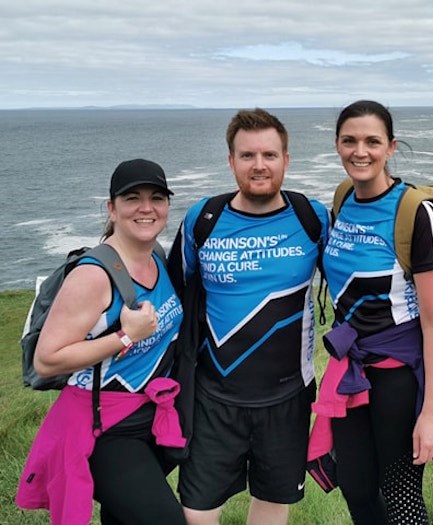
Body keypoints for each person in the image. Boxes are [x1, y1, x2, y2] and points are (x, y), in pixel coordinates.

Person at [311, 100, 433, 524]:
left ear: (391, 147)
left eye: (371, 141)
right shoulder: (343, 198)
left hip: (398, 376)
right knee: (358, 490)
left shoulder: (417, 213)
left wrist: (431, 414)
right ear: (337, 145)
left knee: (399, 495)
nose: (359, 151)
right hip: (350, 371)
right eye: (350, 141)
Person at [167, 108, 329, 525]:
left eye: (270, 155)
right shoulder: (202, 219)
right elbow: (166, 293)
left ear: (287, 160)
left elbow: (349, 282)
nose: (259, 165)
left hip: (289, 396)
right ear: (231, 161)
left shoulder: (312, 219)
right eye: (247, 155)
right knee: (196, 513)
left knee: (272, 507)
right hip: (212, 398)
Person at [16, 159, 186, 525]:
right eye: (132, 198)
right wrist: (125, 336)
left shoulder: (156, 256)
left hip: (149, 416)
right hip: (103, 427)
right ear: (111, 208)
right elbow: (47, 359)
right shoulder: (93, 276)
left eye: (157, 197)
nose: (146, 207)